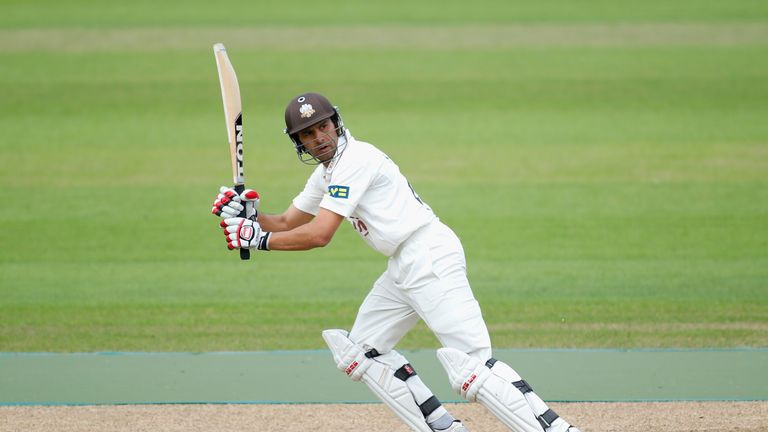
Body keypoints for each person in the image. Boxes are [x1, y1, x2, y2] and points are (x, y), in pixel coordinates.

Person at [211, 92, 581, 432]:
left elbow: (319, 234)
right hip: (403, 265)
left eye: (323, 126)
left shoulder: (356, 159)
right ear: (299, 142)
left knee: (472, 365)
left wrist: (258, 240)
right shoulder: (326, 174)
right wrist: (247, 213)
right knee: (361, 352)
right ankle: (445, 428)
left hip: (428, 254)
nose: (319, 137)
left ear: (335, 123)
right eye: (308, 133)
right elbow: (288, 222)